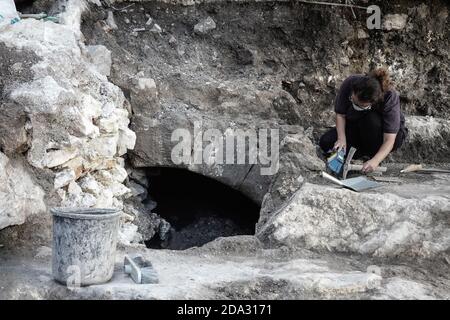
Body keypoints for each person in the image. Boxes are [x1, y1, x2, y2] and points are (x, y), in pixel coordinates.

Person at [319, 68, 408, 173]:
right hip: (358, 126)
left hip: (383, 135)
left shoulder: (389, 96)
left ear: (372, 102)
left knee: (371, 119)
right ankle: (359, 156)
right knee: (326, 141)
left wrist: (375, 161)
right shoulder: (350, 82)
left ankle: (371, 156)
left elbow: (389, 139)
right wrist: (341, 139)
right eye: (353, 101)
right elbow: (341, 114)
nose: (355, 105)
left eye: (359, 105)